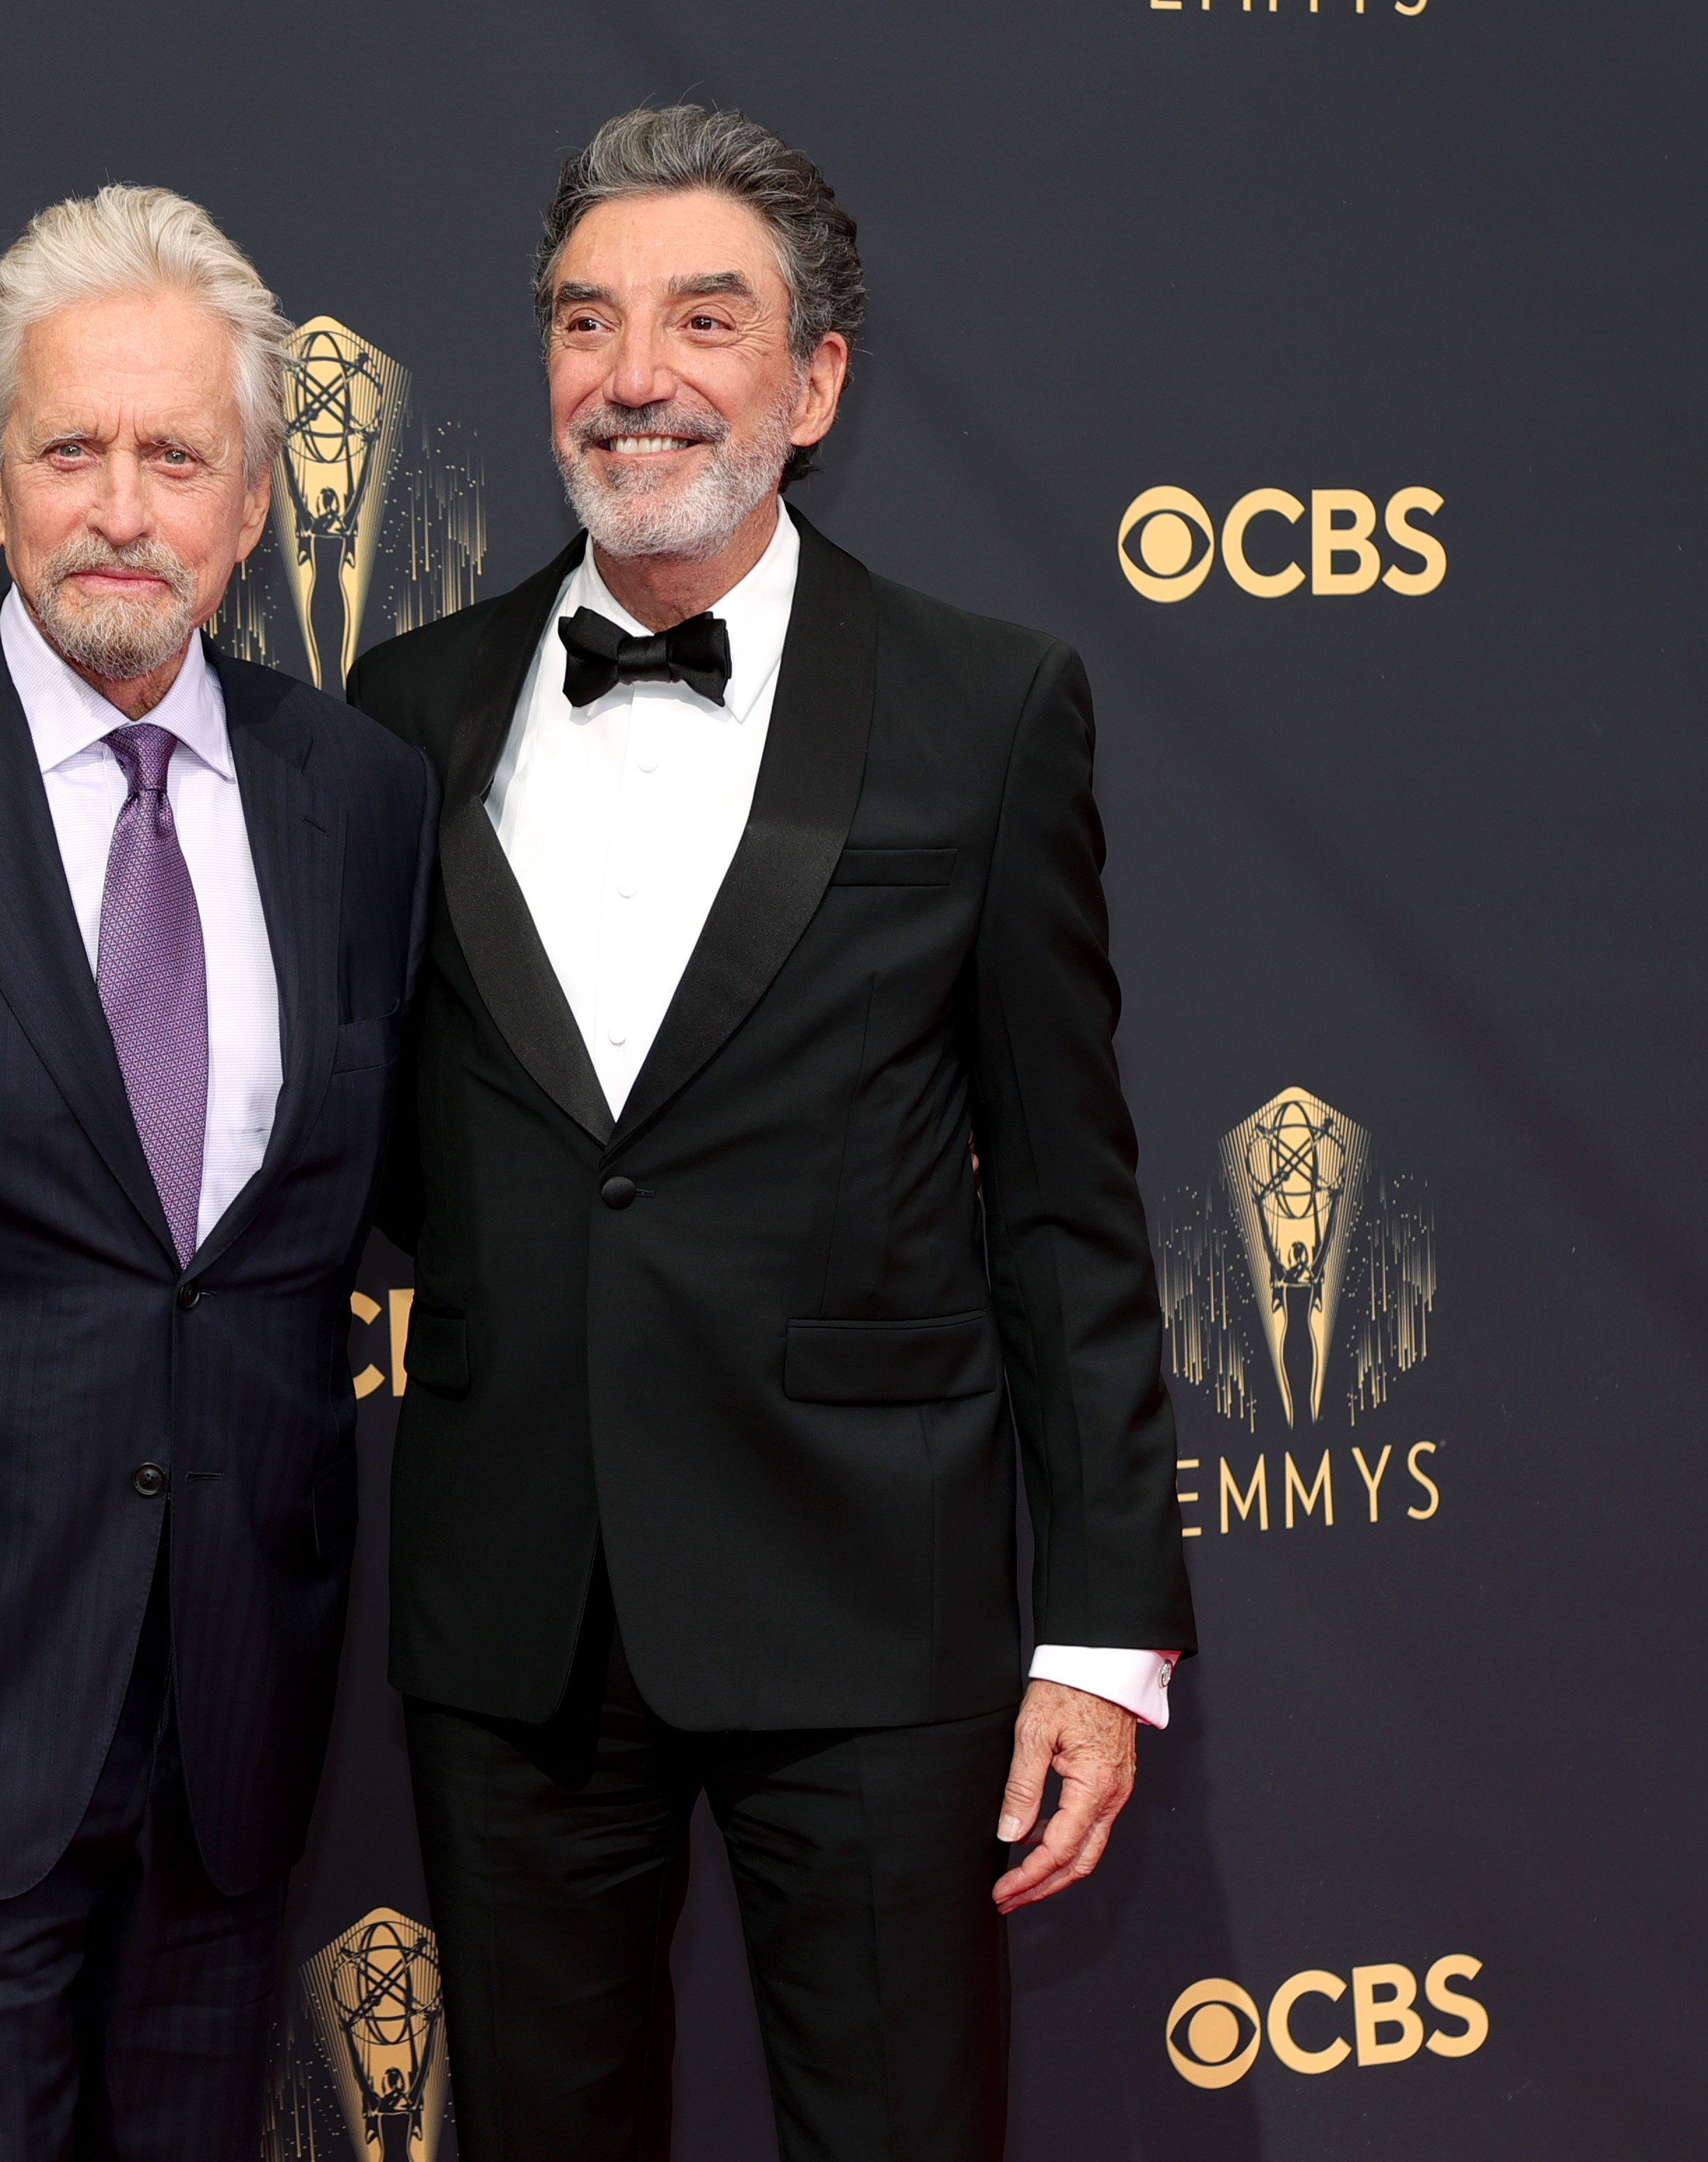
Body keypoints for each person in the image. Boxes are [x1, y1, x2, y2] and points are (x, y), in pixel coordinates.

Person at [344, 107, 1197, 2161]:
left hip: (870, 1613)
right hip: (514, 1607)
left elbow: (1069, 1202)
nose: (632, 372)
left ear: (811, 383)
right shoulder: (403, 704)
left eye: (701, 320)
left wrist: (1097, 1634)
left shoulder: (984, 705)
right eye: (583, 318)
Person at [0, 187, 435, 2161]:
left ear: (245, 506)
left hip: (241, 1703)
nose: (118, 507)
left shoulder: (360, 798)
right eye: (69, 451)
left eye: (173, 456)